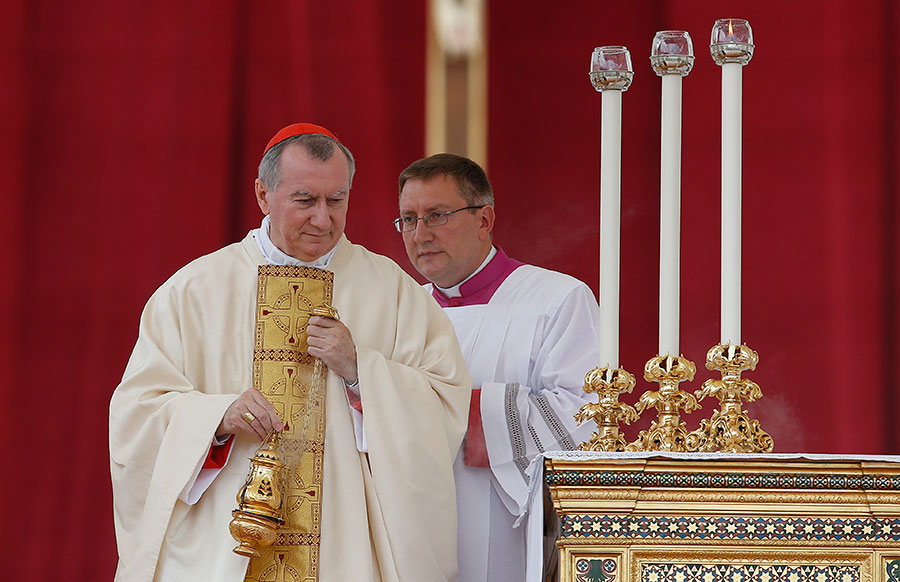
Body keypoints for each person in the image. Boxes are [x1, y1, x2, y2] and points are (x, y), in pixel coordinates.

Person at [110, 123, 471, 582]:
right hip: (224, 547)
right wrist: (216, 418)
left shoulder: (395, 293)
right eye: (305, 200)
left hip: (343, 545)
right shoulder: (194, 291)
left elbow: (444, 405)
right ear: (263, 195)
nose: (323, 219)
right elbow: (135, 416)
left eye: (336, 200)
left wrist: (362, 371)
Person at [396, 153, 601, 582]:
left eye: (437, 215)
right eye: (408, 220)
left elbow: (583, 417)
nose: (421, 234)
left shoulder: (556, 299)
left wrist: (444, 410)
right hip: (412, 528)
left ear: (484, 220)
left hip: (510, 528)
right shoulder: (400, 310)